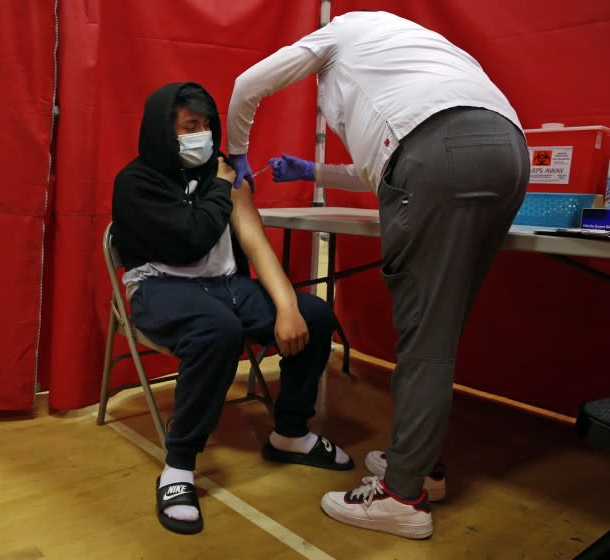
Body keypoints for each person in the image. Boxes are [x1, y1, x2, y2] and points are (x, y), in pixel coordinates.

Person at [227, 10, 529, 539]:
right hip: (508, 152)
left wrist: (236, 151)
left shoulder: (340, 32)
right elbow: (397, 164)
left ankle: (401, 497)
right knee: (442, 326)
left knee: (425, 339)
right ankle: (422, 463)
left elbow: (246, 85)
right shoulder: (421, 51)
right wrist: (314, 170)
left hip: (440, 157)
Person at [111, 82, 353, 535]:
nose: (201, 135)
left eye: (206, 126)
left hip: (228, 285)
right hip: (160, 288)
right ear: (164, 131)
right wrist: (223, 188)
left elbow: (254, 242)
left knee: (315, 315)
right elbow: (191, 238)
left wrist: (286, 307)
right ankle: (179, 466)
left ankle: (290, 433)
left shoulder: (219, 174)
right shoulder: (136, 182)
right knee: (216, 329)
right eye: (189, 127)